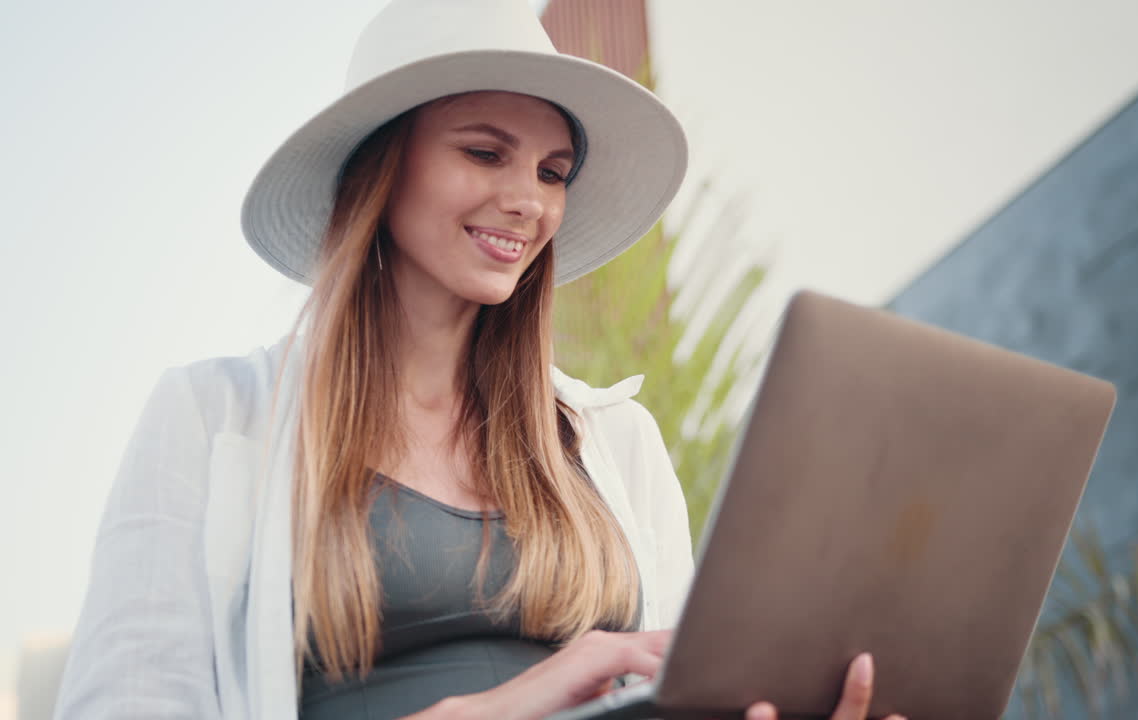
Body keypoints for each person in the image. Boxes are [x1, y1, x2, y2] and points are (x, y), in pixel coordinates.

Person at [54, 1, 904, 718]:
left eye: (553, 170)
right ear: (383, 168)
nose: (528, 200)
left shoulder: (617, 444)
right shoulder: (213, 421)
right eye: (484, 151)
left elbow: (685, 685)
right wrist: (498, 706)